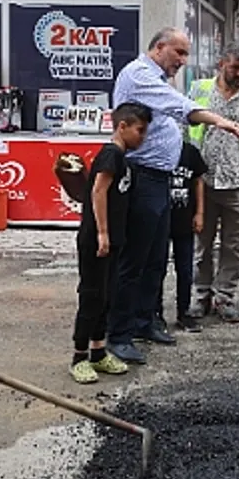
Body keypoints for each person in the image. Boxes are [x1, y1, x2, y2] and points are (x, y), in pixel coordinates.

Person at [109, 27, 239, 365]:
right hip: (142, 178)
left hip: (160, 181)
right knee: (134, 262)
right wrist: (220, 121)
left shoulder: (157, 77)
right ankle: (119, 335)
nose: (183, 61)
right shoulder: (140, 75)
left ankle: (145, 322)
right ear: (159, 47)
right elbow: (181, 107)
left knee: (156, 259)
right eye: (179, 53)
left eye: (186, 54)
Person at [185, 43, 239, 323]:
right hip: (204, 181)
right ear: (222, 63)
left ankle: (225, 296)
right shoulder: (199, 90)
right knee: (203, 243)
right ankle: (201, 295)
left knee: (233, 245)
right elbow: (184, 129)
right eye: (236, 67)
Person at [70, 102, 151, 383]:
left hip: (115, 239)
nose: (143, 137)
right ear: (122, 126)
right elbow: (98, 191)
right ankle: (79, 356)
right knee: (91, 296)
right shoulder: (111, 155)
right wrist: (102, 232)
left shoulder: (124, 158)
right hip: (96, 240)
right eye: (140, 130)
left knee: (107, 296)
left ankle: (98, 351)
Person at [165, 139, 208, 332]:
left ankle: (184, 312)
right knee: (156, 268)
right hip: (162, 220)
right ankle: (154, 313)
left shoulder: (189, 152)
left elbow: (198, 181)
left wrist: (200, 213)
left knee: (185, 270)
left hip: (185, 219)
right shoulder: (157, 151)